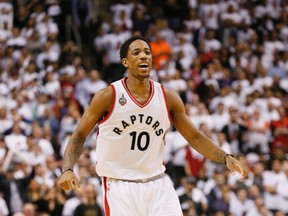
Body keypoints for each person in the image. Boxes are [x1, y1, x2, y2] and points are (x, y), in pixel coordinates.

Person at [59, 35, 248, 216]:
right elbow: (78, 136)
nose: (143, 56)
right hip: (119, 186)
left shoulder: (168, 97)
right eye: (136, 53)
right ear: (125, 62)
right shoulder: (108, 96)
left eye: (147, 52)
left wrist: (225, 157)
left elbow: (195, 137)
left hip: (158, 184)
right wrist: (67, 169)